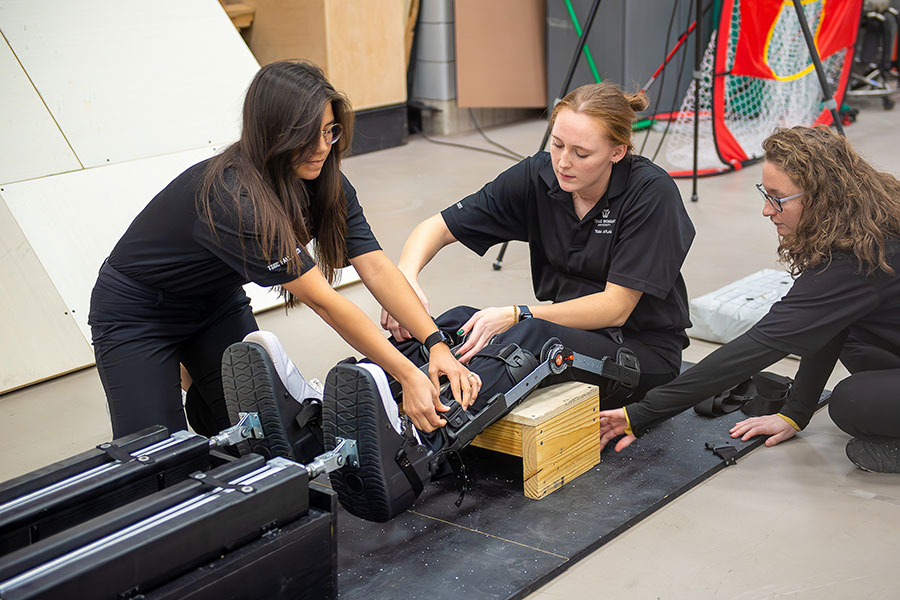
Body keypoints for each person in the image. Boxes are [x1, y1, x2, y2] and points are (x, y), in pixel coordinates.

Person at [320, 81, 696, 522]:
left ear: (617, 152)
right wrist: (406, 279)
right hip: (570, 331)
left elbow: (615, 307)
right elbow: (436, 227)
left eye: (582, 152)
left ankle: (417, 448)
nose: (564, 161)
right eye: (557, 144)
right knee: (462, 322)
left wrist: (518, 313)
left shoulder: (652, 194)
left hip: (641, 356)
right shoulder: (542, 176)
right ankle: (352, 399)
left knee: (532, 335)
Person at [88, 61, 478, 442]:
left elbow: (374, 266)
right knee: (155, 460)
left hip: (214, 305)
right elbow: (323, 301)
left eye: (329, 132)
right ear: (271, 133)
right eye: (307, 136)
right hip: (138, 313)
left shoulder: (325, 181)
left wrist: (434, 343)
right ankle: (168, 372)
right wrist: (408, 374)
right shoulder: (234, 198)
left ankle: (194, 377)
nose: (322, 147)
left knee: (262, 437)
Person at [596, 125, 900, 474]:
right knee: (858, 341)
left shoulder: (860, 258)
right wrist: (795, 413)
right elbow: (824, 322)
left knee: (853, 402)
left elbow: (760, 345)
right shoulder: (864, 224)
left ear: (822, 198)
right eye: (764, 193)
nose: (766, 210)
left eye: (777, 197)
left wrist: (642, 413)